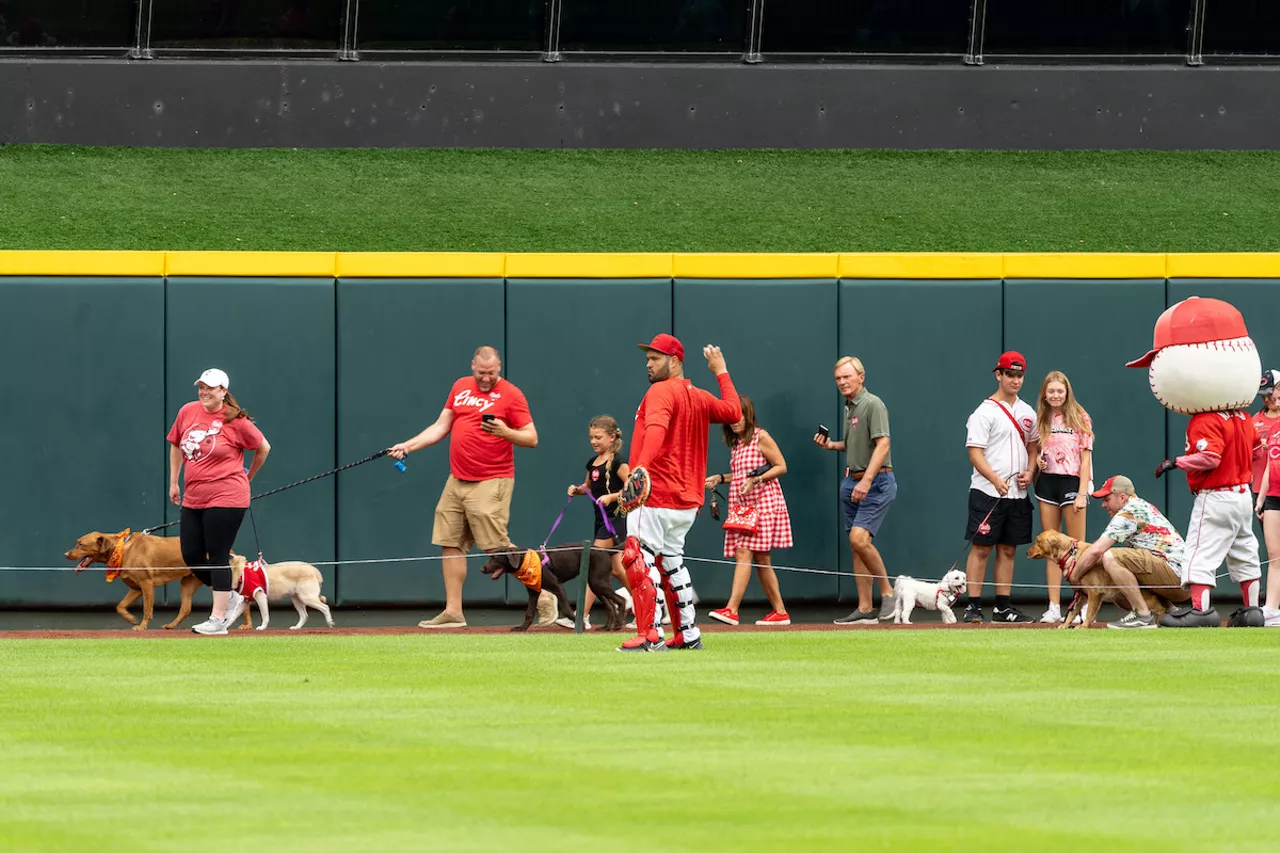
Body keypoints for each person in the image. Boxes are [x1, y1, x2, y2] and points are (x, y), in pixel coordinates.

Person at [388, 346, 537, 629]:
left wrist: (506, 432)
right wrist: (407, 446)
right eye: (481, 373)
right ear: (472, 366)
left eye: (491, 373)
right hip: (457, 479)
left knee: (497, 546)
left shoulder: (512, 394)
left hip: (492, 479)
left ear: (500, 367)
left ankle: (545, 597)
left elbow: (532, 437)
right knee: (450, 541)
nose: (485, 379)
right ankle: (453, 612)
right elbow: (440, 426)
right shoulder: (460, 386)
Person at [618, 334, 741, 652]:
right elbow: (733, 411)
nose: (649, 363)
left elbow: (656, 429)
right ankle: (687, 633)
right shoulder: (697, 396)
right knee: (671, 563)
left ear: (674, 361)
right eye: (647, 358)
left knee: (638, 557)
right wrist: (721, 371)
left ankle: (650, 634)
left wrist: (642, 467)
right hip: (687, 499)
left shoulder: (660, 390)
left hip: (656, 493)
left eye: (655, 358)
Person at [167, 368, 270, 636]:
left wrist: (248, 476)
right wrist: (174, 481)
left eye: (210, 388)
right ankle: (230, 595)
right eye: (201, 387)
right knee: (191, 553)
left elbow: (263, 447)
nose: (204, 392)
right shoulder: (187, 411)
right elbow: (177, 444)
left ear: (223, 391)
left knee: (218, 554)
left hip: (228, 495)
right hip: (194, 495)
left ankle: (218, 619)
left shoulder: (235, 419)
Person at [814, 356, 897, 624]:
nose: (842, 382)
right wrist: (830, 446)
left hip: (875, 482)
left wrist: (866, 481)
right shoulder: (850, 407)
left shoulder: (873, 404)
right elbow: (852, 445)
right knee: (857, 547)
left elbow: (883, 445)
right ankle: (864, 609)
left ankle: (888, 594)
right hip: (852, 482)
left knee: (859, 540)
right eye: (838, 378)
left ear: (861, 377)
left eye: (847, 377)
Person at [962, 351, 1039, 624]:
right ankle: (973, 605)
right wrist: (995, 479)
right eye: (1011, 375)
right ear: (999, 375)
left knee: (1008, 548)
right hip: (987, 491)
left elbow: (1033, 446)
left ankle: (1002, 607)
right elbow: (975, 452)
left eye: (1020, 376)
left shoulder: (1028, 411)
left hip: (1017, 493)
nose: (1016, 381)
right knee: (982, 547)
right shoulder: (984, 412)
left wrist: (1029, 472)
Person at [705, 395, 792, 627]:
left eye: (739, 416)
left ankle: (732, 609)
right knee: (762, 558)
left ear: (748, 415)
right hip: (744, 506)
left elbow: (781, 466)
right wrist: (721, 478)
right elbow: (743, 474)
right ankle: (780, 612)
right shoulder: (737, 443)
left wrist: (757, 480)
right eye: (731, 417)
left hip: (763, 502)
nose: (735, 421)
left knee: (744, 552)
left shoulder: (760, 437)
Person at [1068, 475, 1188, 629]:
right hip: (1182, 577)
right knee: (1121, 572)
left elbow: (1096, 551)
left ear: (1122, 497)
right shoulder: (1140, 504)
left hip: (1176, 578)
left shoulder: (1128, 512)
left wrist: (1075, 575)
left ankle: (1143, 616)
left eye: (1107, 499)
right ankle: (1170, 612)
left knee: (1110, 558)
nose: (1103, 505)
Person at [1032, 371, 1094, 623]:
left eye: (1060, 391)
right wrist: (1037, 459)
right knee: (1050, 548)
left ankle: (1080, 606)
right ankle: (1054, 606)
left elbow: (1086, 457)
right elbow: (1039, 448)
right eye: (1051, 391)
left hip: (1072, 482)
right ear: (1044, 395)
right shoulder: (1042, 417)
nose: (1056, 395)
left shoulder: (1080, 416)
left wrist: (1081, 493)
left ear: (1067, 392)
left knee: (1077, 548)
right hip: (1047, 483)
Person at [566, 415, 632, 630]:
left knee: (595, 565)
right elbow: (588, 486)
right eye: (591, 438)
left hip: (615, 519)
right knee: (618, 571)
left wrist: (612, 497)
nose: (594, 442)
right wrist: (577, 490)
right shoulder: (592, 463)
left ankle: (581, 616)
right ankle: (649, 606)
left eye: (598, 437)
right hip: (600, 519)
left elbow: (632, 488)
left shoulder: (619, 463)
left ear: (612, 437)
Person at [1251, 370, 1280, 625]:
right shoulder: (1255, 420)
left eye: (1271, 393)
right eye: (1266, 395)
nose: (1268, 399)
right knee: (1274, 551)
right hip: (1265, 489)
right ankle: (1272, 606)